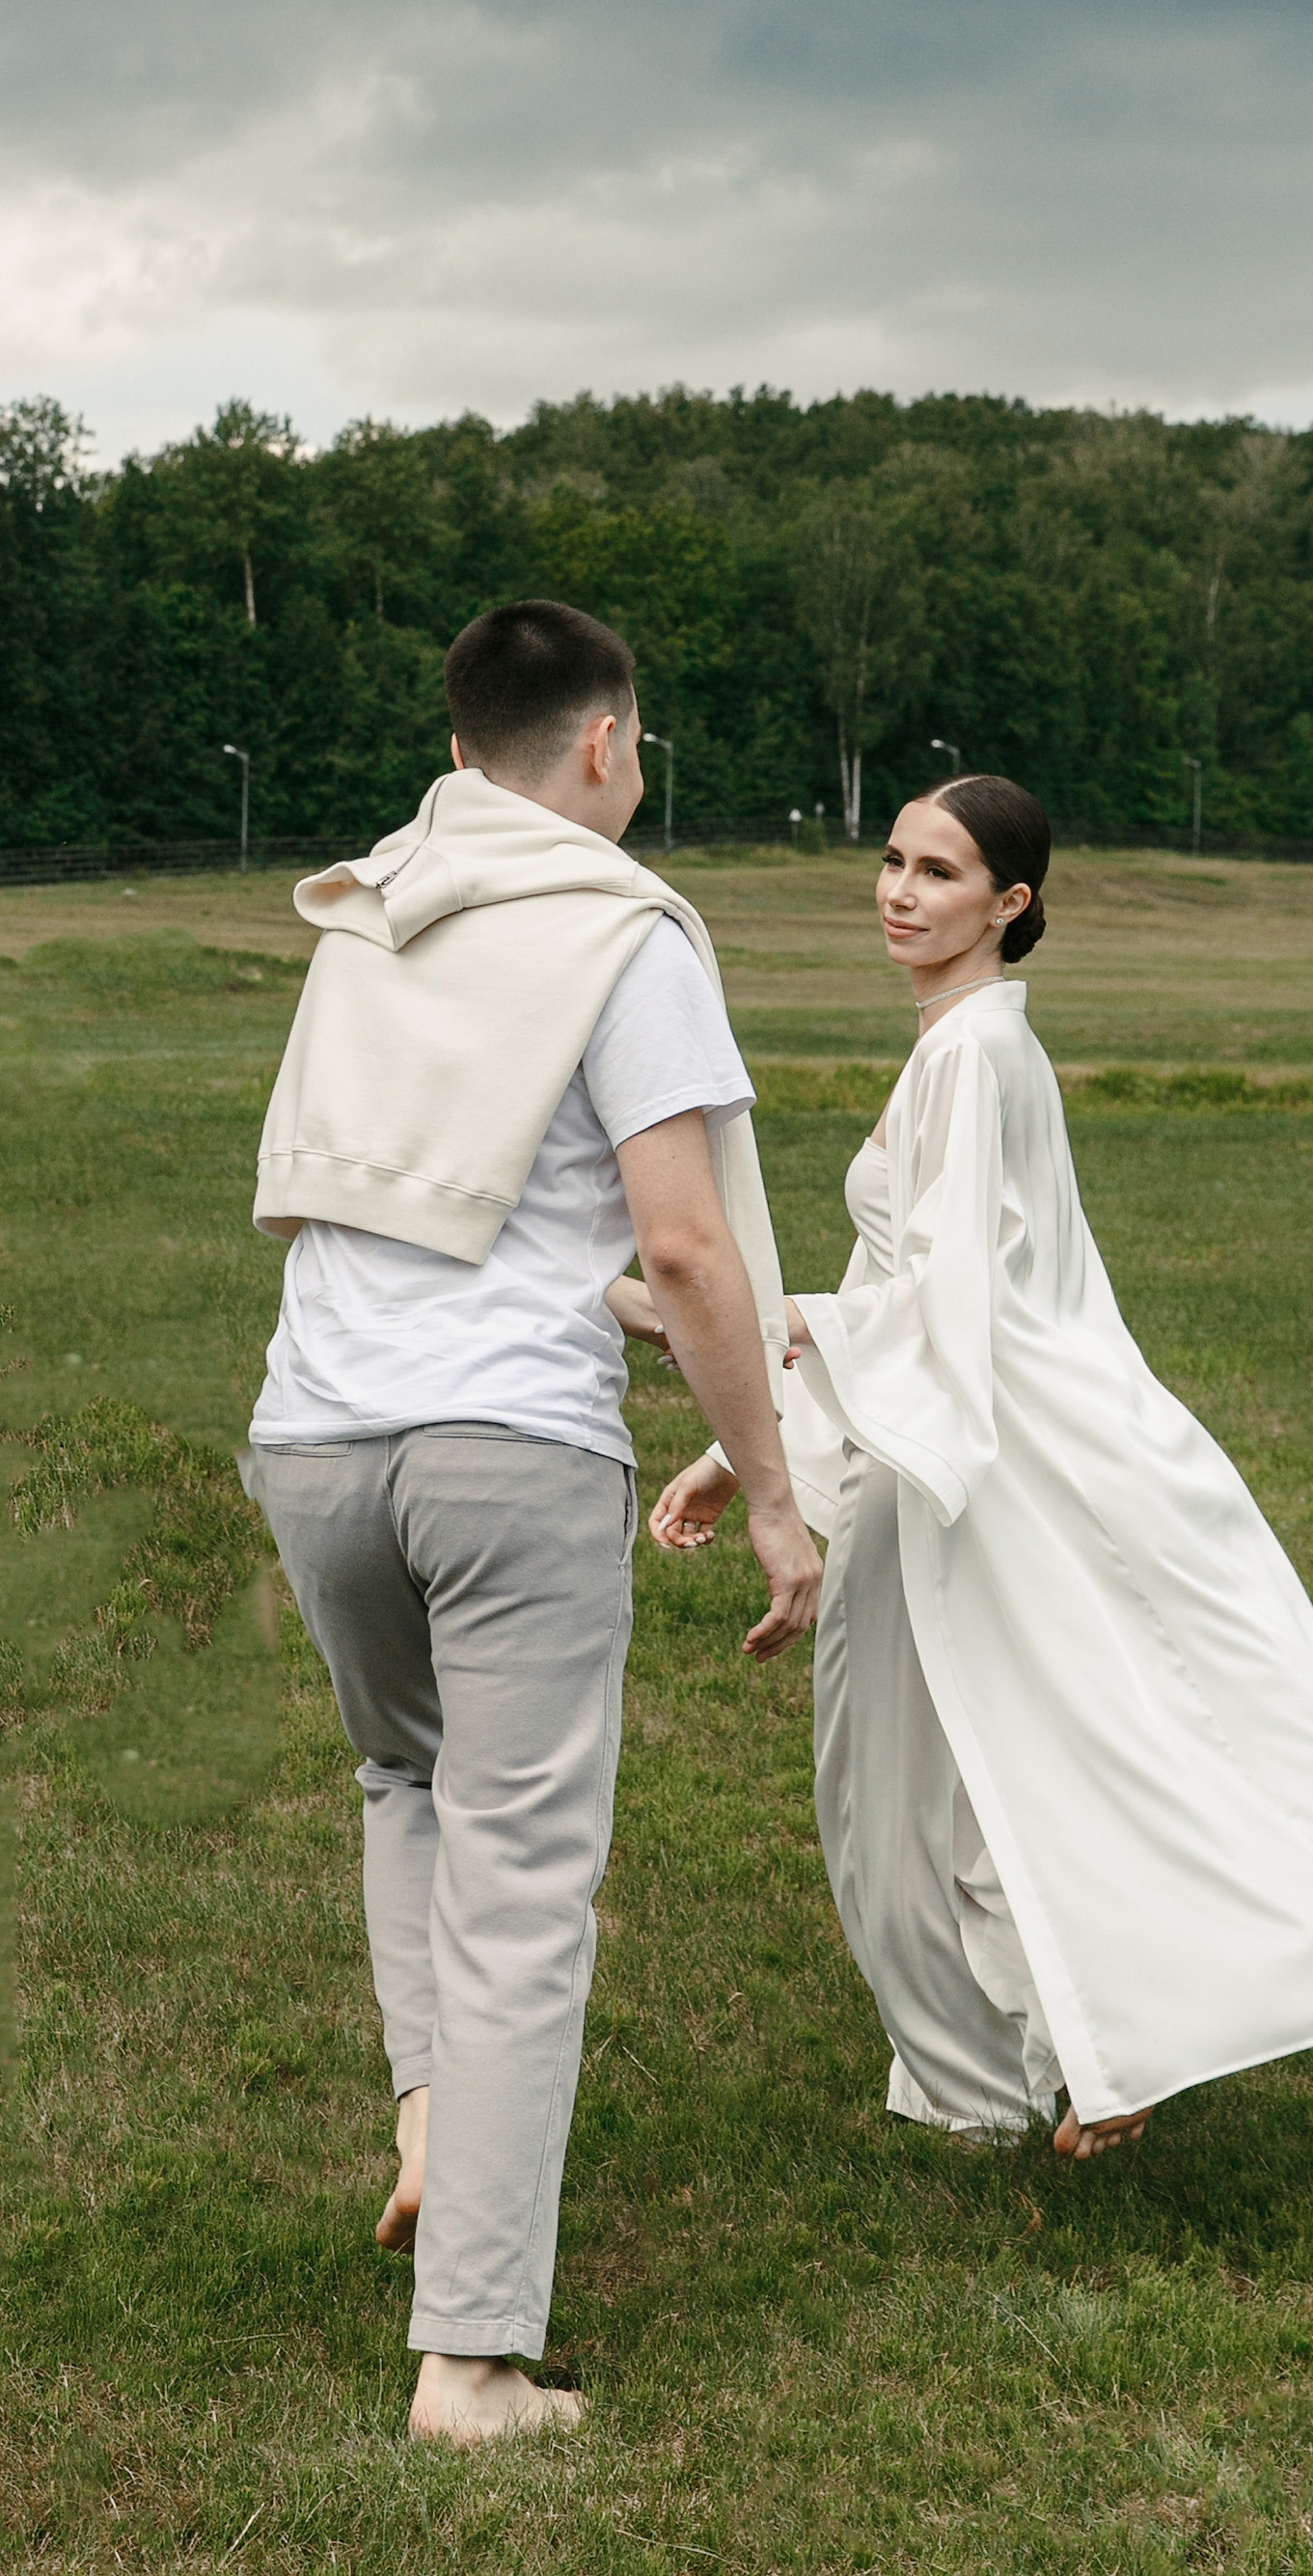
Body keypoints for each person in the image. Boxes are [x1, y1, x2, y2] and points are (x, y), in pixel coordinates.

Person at [648, 776, 1313, 2157]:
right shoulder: (963, 1043)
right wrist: (744, 1446)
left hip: (974, 1466)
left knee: (917, 1782)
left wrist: (760, 1329)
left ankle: (1071, 2052)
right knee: (962, 1769)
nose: (900, 892)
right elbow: (903, 1279)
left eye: (940, 873)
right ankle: (1045, 2057)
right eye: (894, 861)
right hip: (944, 1443)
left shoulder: (974, 1055)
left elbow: (953, 1300)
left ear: (1010, 902)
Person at [244, 601, 821, 2443]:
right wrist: (778, 1491)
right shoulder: (622, 931)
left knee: (404, 1781)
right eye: (636, 744)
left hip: (313, 1441)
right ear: (601, 744)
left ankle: (435, 2114)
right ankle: (473, 2361)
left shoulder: (370, 911)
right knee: (523, 1888)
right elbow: (687, 1245)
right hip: (509, 1457)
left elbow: (418, 1201)